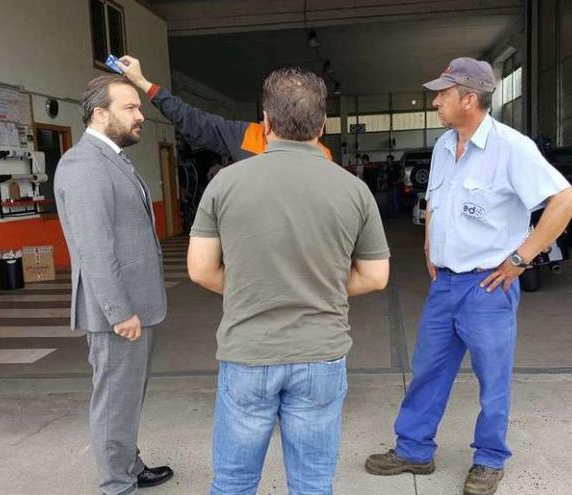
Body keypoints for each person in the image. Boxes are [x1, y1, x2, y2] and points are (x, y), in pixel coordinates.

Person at [364, 58, 572, 495]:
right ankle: (414, 451)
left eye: (444, 93)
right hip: (444, 284)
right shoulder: (445, 145)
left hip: (488, 286)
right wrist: (429, 242)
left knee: (492, 377)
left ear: (470, 98)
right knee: (428, 370)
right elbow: (436, 203)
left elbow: (565, 202)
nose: (435, 100)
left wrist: (521, 259)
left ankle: (488, 459)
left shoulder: (510, 147)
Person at [186, 67, 391, 495]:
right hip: (320, 354)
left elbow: (201, 270)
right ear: (321, 125)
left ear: (266, 121)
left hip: (248, 353)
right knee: (313, 485)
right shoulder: (353, 189)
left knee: (234, 483)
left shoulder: (225, 183)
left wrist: (254, 288)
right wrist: (319, 287)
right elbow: (375, 276)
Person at [54, 75, 173, 495]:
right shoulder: (84, 164)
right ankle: (116, 485)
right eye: (130, 108)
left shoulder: (113, 158)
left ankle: (128, 464)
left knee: (126, 397)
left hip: (132, 305)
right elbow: (94, 250)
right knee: (113, 401)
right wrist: (119, 312)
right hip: (116, 313)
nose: (141, 115)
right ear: (100, 113)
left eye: (139, 107)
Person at [117, 55, 334, 161]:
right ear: (320, 126)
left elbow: (191, 120)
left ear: (266, 121)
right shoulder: (326, 161)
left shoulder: (248, 136)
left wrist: (142, 82)